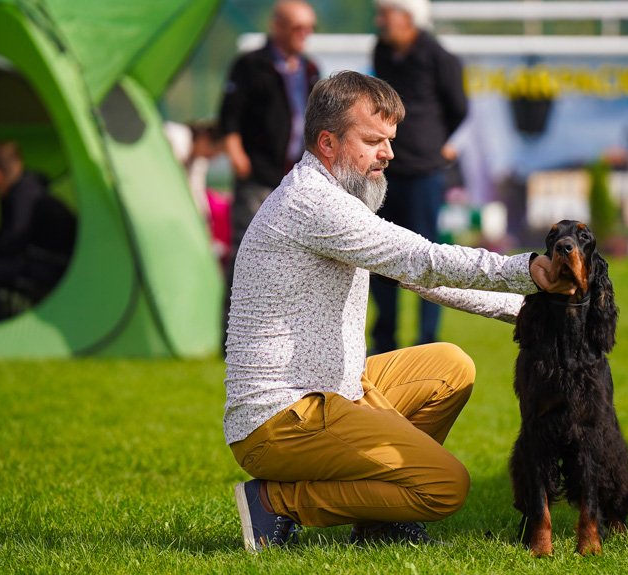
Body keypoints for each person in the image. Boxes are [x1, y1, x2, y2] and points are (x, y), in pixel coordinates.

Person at [225, 71, 575, 552]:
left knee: (451, 367)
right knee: (444, 487)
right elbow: (423, 259)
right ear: (327, 143)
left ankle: (382, 518)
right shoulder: (313, 203)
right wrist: (527, 267)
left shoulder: (335, 200)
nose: (388, 153)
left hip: (334, 391)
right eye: (373, 141)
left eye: (389, 140)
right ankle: (277, 503)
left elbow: (418, 279)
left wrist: (526, 310)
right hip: (281, 419)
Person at [369, 0, 469, 353]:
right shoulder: (381, 51)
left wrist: (435, 142)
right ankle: (383, 342)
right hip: (383, 173)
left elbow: (460, 108)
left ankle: (426, 340)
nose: (379, 21)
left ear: (408, 18)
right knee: (379, 257)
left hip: (424, 175)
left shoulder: (440, 57)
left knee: (427, 259)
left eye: (385, 14)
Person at [218, 0, 320, 301]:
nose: (304, 34)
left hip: (295, 177)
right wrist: (237, 155)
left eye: (309, 28)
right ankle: (231, 329)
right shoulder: (250, 65)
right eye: (297, 28)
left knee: (292, 255)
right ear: (277, 26)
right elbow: (229, 116)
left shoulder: (310, 68)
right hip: (258, 174)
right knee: (246, 252)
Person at [0, 141, 76, 326]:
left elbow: (8, 248)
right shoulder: (13, 192)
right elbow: (1, 242)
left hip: (53, 269)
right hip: (36, 263)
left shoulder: (24, 194)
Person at [163, 120, 231, 269]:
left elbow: (197, 193)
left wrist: (206, 228)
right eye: (216, 151)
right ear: (204, 138)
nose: (212, 157)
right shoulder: (176, 137)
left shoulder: (197, 160)